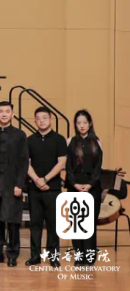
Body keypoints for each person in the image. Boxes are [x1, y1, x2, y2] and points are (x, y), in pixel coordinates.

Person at [0, 101, 28, 267]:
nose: (4, 114)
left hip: (12, 184)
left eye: (7, 111)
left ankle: (12, 254)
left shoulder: (20, 135)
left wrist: (20, 185)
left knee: (12, 221)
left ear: (12, 114)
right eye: (1, 111)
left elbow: (24, 162)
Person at [25, 106, 67, 267]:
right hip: (34, 188)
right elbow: (26, 163)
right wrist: (37, 180)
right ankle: (35, 256)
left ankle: (53, 257)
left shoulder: (59, 139)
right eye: (38, 118)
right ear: (35, 121)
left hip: (53, 189)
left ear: (50, 119)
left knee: (53, 224)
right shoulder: (29, 140)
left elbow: (61, 162)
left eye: (45, 117)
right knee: (35, 224)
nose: (41, 121)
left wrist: (46, 179)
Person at [65, 109, 103, 266]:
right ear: (75, 124)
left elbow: (98, 167)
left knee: (89, 223)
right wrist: (74, 184)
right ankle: (79, 256)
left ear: (90, 123)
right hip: (74, 186)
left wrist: (90, 184)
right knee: (76, 223)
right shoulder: (70, 141)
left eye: (85, 123)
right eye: (79, 123)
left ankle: (90, 256)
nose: (82, 126)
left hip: (92, 188)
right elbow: (68, 167)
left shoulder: (97, 142)